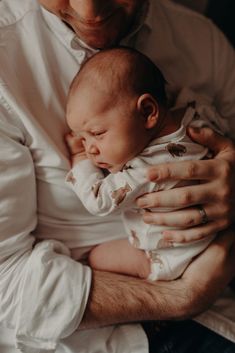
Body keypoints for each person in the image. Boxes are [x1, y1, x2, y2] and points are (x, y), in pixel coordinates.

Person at [0, 0, 235, 353]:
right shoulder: (7, 57)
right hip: (83, 341)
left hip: (219, 314)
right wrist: (182, 296)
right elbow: (6, 287)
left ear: (149, 111)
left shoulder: (202, 42)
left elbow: (99, 196)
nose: (89, 11)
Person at [65, 46, 225, 281]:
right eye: (83, 139)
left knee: (97, 257)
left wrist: (79, 161)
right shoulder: (196, 114)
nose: (90, 149)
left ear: (148, 112)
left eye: (97, 133)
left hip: (176, 258)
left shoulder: (145, 171)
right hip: (219, 235)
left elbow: (99, 200)